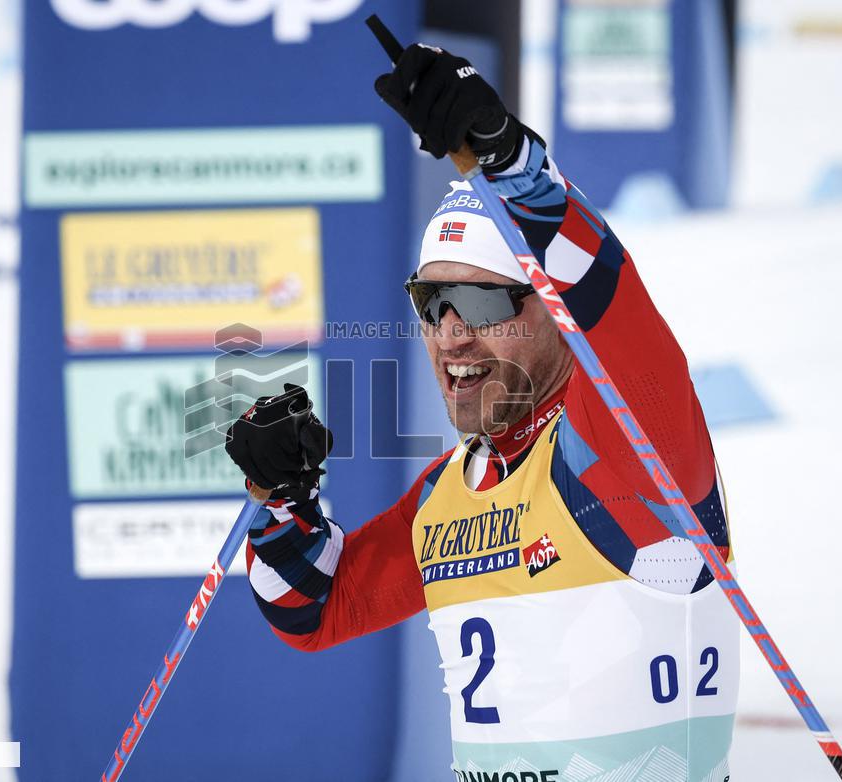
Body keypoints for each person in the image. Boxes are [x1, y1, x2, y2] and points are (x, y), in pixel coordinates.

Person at [225, 43, 738, 782]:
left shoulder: (625, 460)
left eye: (483, 300)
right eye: (431, 302)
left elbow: (615, 310)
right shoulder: (453, 490)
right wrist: (282, 502)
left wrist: (518, 169)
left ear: (556, 313)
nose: (451, 333)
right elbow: (316, 611)